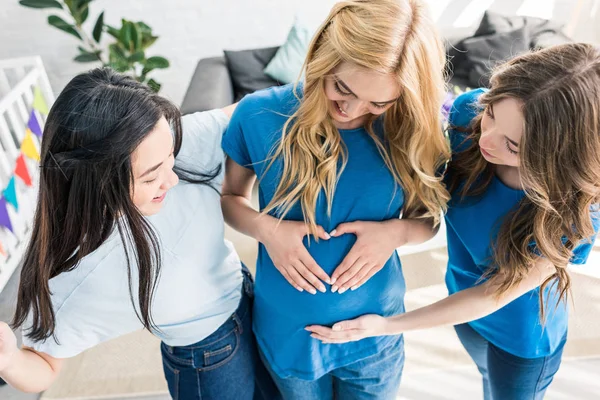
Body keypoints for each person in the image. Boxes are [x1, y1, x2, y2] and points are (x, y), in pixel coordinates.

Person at [307, 43, 600, 400]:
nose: (485, 141)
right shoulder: (467, 115)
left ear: (558, 158)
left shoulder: (575, 212)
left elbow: (494, 295)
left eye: (513, 145)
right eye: (492, 113)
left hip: (524, 338)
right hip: (460, 303)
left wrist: (387, 326)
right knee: (484, 378)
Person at [220, 0, 450, 398]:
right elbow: (231, 198)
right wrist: (268, 230)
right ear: (323, 52)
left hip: (376, 335)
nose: (352, 110)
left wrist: (394, 234)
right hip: (287, 333)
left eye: (379, 103)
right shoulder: (258, 115)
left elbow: (427, 222)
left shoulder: (410, 132)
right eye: (342, 87)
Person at [0, 68, 267, 400]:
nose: (171, 180)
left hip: (250, 297)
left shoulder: (167, 143)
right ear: (99, 182)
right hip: (208, 362)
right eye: (152, 176)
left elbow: (258, 108)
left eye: (171, 159)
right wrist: (8, 359)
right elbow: (44, 366)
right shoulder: (76, 274)